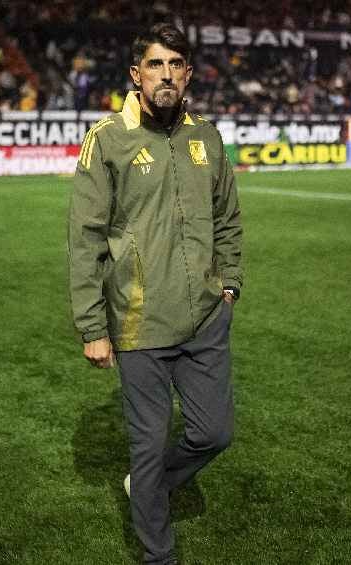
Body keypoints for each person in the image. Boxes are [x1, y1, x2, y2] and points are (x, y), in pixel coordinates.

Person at [68, 22, 243, 565]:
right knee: (147, 446)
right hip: (139, 322)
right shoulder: (108, 139)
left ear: (187, 74)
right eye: (155, 64)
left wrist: (229, 284)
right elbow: (85, 238)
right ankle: (158, 555)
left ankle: (146, 489)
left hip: (206, 318)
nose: (166, 75)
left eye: (175, 64)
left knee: (214, 433)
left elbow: (227, 218)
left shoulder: (206, 137)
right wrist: (93, 327)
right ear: (136, 74)